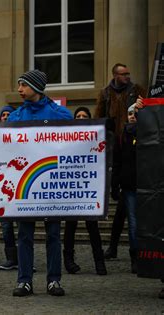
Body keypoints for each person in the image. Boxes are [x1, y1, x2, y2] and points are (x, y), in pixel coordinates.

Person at [8, 70, 72, 297]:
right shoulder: (16, 117)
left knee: (53, 234)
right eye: (18, 85)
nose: (19, 90)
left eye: (23, 85)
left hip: (49, 184)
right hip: (25, 185)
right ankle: (24, 280)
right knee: (24, 235)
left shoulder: (60, 114)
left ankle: (54, 280)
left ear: (36, 87)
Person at [95, 63, 146, 260]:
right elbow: (98, 117)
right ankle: (115, 247)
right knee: (123, 208)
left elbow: (149, 108)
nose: (127, 76)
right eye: (124, 74)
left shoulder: (137, 90)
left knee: (125, 208)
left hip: (134, 142)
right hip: (115, 145)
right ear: (115, 75)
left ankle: (117, 248)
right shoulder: (106, 93)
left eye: (128, 73)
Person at [62, 107, 107, 276]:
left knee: (92, 227)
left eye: (84, 116)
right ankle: (68, 261)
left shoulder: (96, 137)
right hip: (72, 188)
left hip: (89, 187)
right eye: (78, 116)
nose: (81, 118)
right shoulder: (66, 138)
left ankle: (99, 262)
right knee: (70, 226)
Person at [111, 104, 139, 274]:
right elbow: (117, 162)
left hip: (148, 185)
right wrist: (115, 185)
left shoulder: (148, 133)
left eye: (135, 114)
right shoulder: (122, 136)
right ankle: (135, 257)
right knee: (133, 224)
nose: (132, 116)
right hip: (129, 186)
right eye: (129, 114)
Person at [0, 105, 19, 271]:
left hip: (20, 189)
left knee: (24, 228)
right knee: (6, 227)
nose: (5, 117)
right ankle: (11, 258)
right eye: (3, 115)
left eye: (8, 114)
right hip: (3, 191)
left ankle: (25, 259)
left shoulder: (21, 138)